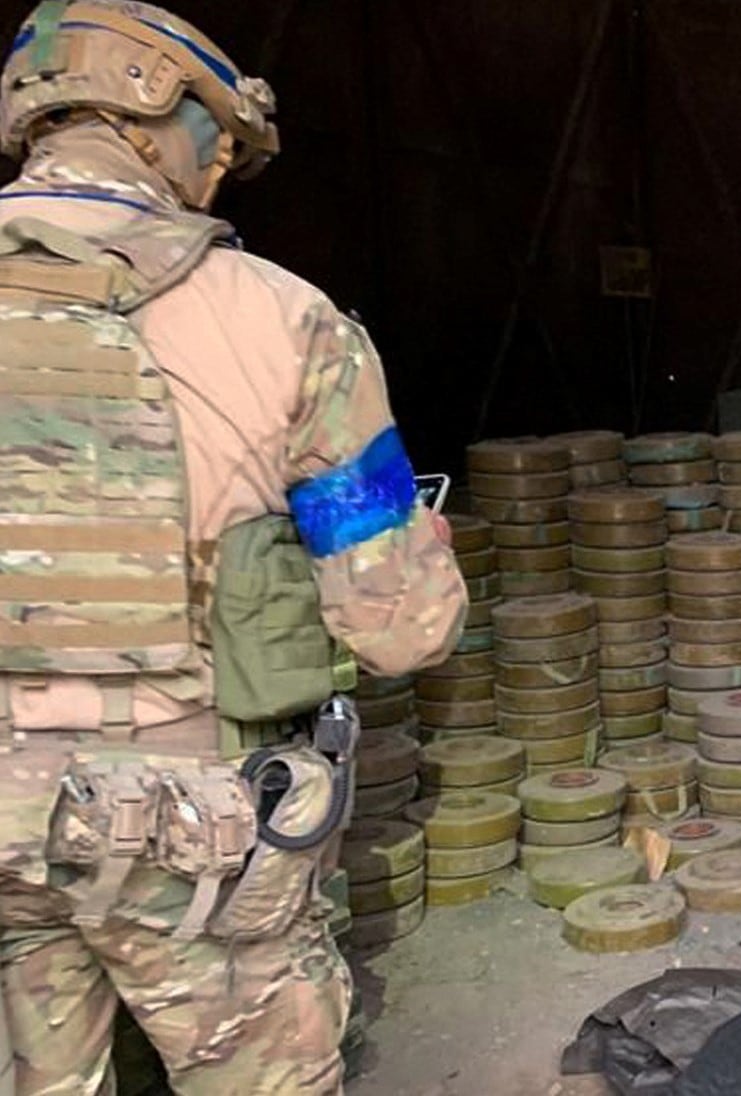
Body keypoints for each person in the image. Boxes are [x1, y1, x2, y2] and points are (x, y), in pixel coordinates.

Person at [0, 3, 468, 1092]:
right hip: (181, 829)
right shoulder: (284, 322)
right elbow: (403, 627)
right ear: (158, 116)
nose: (219, 169)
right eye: (221, 141)